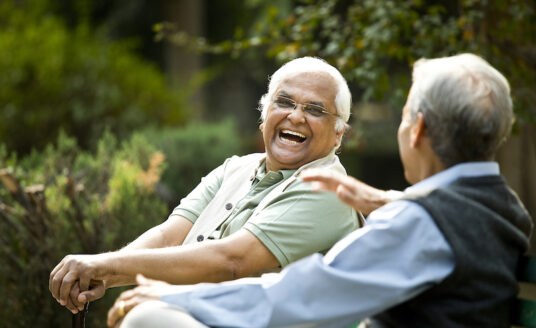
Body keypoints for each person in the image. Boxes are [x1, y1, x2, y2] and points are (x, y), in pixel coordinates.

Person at [107, 53, 533, 328]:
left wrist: (180, 294)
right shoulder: (503, 207)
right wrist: (390, 201)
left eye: (403, 116)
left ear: (417, 128)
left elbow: (306, 293)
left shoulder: (423, 224)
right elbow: (450, 224)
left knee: (152, 318)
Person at [49, 57, 362, 315]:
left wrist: (105, 264)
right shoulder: (234, 168)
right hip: (201, 314)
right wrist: (102, 273)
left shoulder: (328, 188)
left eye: (314, 109)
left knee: (147, 316)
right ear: (264, 116)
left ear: (338, 134)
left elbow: (232, 262)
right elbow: (169, 236)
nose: (296, 116)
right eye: (284, 102)